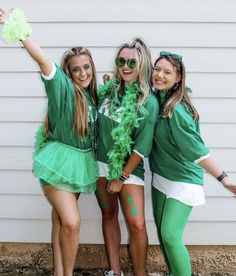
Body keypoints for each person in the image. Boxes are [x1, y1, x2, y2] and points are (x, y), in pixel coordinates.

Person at [0, 9, 99, 276]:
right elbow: (43, 60)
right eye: (76, 69)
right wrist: (19, 30)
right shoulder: (62, 87)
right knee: (72, 222)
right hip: (59, 164)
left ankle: (58, 272)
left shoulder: (93, 98)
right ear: (68, 72)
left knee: (60, 219)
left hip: (81, 164)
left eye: (87, 67)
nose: (82, 73)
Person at [149, 51, 236, 276]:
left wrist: (224, 179)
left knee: (170, 235)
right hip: (161, 176)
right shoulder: (156, 99)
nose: (159, 75)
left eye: (167, 72)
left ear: (178, 79)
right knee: (162, 233)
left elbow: (198, 151)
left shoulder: (176, 110)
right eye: (157, 69)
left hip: (183, 180)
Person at [95, 38, 159, 276]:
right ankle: (115, 271)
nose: (126, 66)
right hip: (100, 165)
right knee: (108, 214)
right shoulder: (109, 91)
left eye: (132, 62)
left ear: (142, 65)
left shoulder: (147, 101)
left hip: (129, 169)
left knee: (137, 224)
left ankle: (140, 273)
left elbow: (142, 148)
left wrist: (121, 177)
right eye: (121, 60)